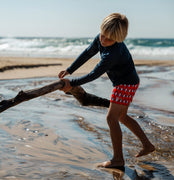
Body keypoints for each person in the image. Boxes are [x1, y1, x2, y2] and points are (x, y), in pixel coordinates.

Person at [58, 13, 155, 169]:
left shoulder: (112, 54)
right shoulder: (102, 37)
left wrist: (72, 84)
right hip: (127, 82)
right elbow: (88, 52)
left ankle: (118, 159)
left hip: (125, 84)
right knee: (121, 117)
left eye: (108, 39)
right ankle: (147, 145)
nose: (103, 40)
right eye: (102, 35)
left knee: (111, 118)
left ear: (118, 38)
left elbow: (93, 75)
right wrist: (70, 70)